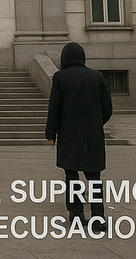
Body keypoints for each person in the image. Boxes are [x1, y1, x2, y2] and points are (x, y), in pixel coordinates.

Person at [45, 42, 113, 231]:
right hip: (93, 134)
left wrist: (51, 133)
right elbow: (107, 106)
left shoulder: (60, 77)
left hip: (69, 134)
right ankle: (98, 218)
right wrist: (97, 123)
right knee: (94, 177)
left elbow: (54, 108)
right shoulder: (96, 76)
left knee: (72, 175)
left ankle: (76, 213)